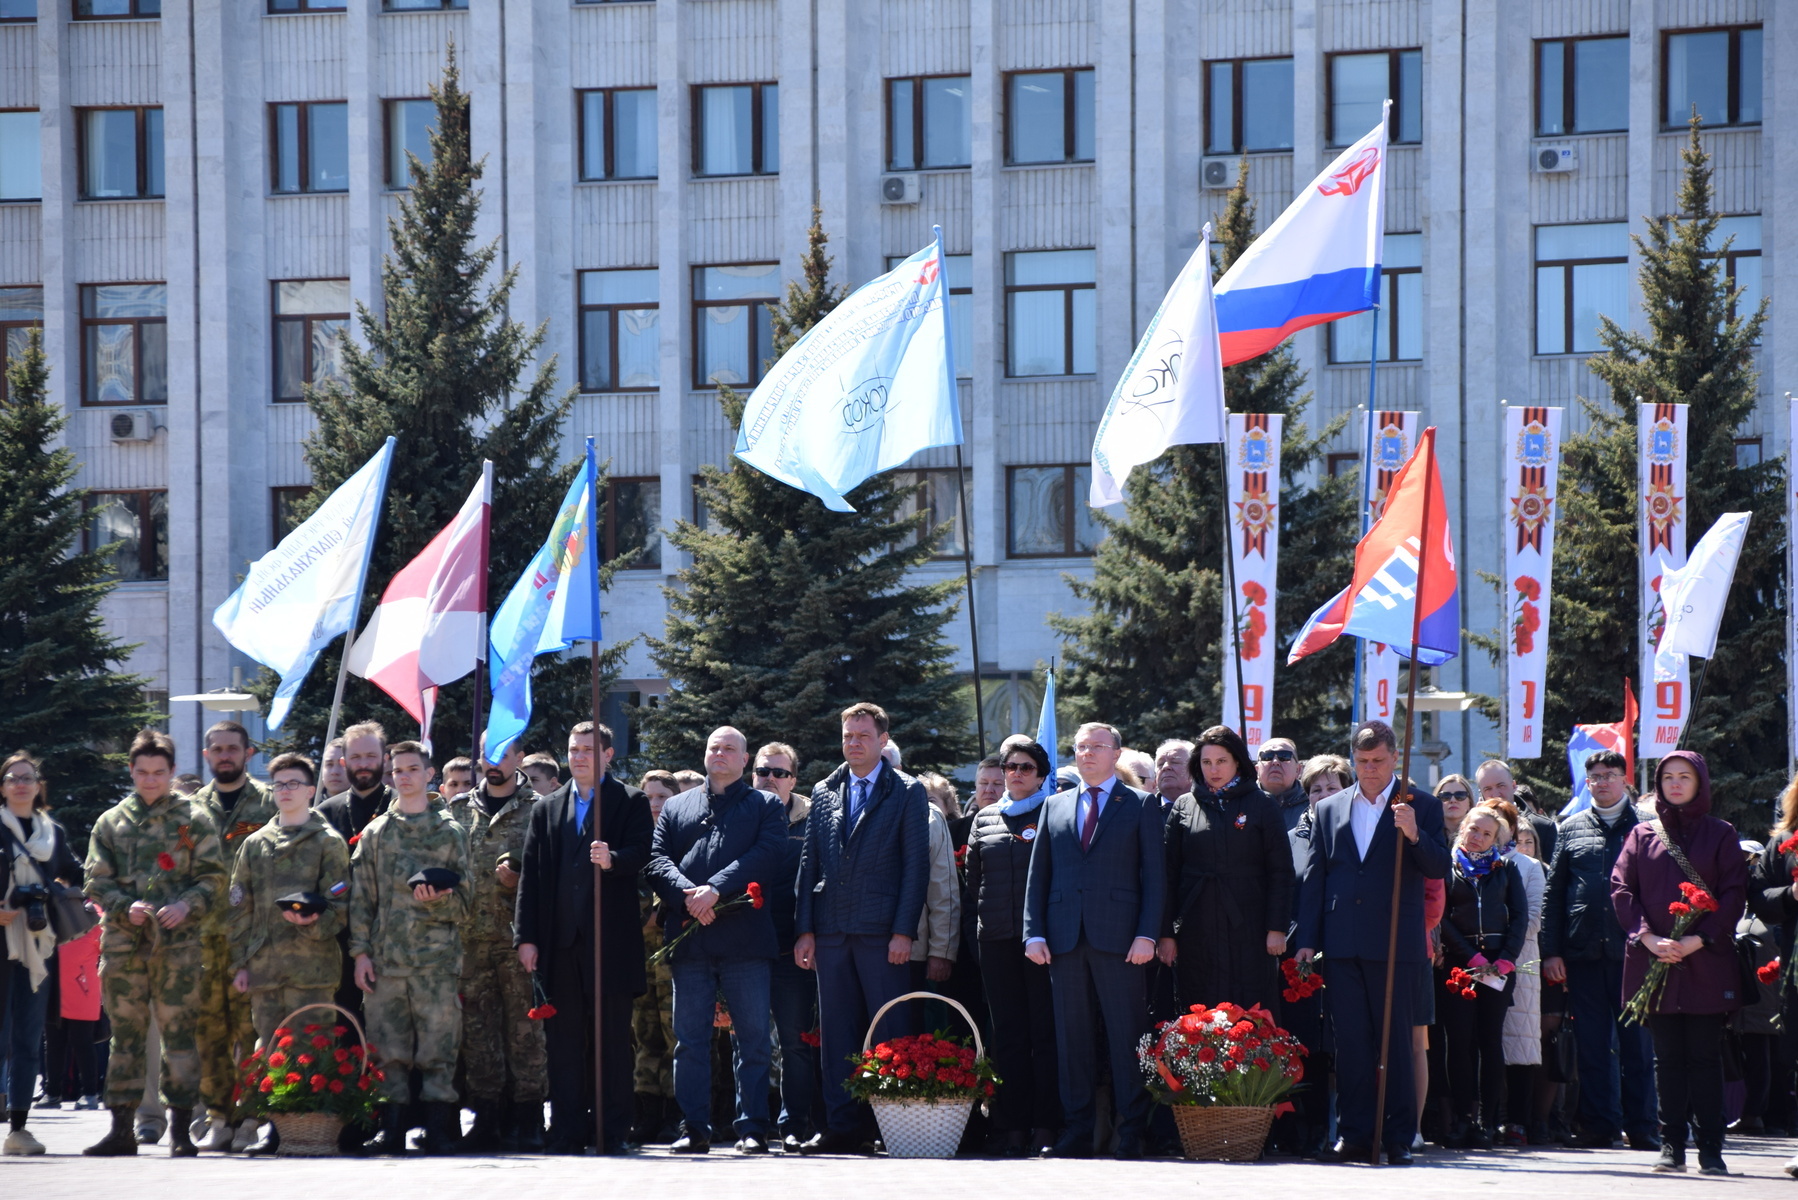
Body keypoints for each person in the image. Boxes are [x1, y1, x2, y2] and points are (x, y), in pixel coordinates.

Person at [1294, 720, 1448, 1166]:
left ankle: (1398, 1135)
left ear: (1395, 757)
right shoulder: (1330, 808)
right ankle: (1355, 1134)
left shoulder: (1421, 805)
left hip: (1396, 943)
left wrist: (1415, 834)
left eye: (1378, 761)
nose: (1370, 770)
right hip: (1342, 943)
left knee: (1395, 1043)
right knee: (1352, 1044)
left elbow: (1438, 868)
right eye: (1361, 762)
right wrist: (1307, 939)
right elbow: (1316, 877)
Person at [82, 730, 227, 1157]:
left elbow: (214, 877)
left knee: (179, 1036)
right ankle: (121, 1128)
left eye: (159, 773)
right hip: (125, 945)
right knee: (125, 1037)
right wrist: (125, 906)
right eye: (142, 772)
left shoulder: (193, 818)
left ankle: (181, 1129)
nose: (150, 781)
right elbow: (95, 880)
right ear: (131, 771)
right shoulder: (110, 821)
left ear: (171, 772)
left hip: (178, 946)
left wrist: (186, 905)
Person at [793, 702, 930, 1155]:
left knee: (891, 1030)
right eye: (848, 735)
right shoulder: (825, 789)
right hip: (831, 931)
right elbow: (809, 862)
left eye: (863, 736)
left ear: (883, 740)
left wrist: (903, 930)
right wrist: (805, 930)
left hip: (881, 932)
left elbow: (915, 867)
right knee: (836, 1034)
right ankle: (841, 1126)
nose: (853, 743)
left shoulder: (906, 791)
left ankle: (891, 1124)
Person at [1023, 721, 1165, 1160]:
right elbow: (1039, 876)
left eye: (1097, 747)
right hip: (1064, 939)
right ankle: (1077, 1129)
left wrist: (1147, 934)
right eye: (1081, 747)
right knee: (1073, 1040)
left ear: (1115, 753)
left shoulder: (1140, 804)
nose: (1087, 754)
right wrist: (1033, 931)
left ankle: (1131, 1130)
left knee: (1127, 1037)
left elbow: (1154, 878)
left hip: (1121, 939)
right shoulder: (1055, 805)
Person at [515, 722, 653, 1156]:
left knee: (611, 1041)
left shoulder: (629, 801)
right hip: (560, 944)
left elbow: (642, 854)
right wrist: (527, 937)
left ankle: (612, 1130)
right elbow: (532, 879)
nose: (579, 757)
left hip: (608, 945)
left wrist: (612, 859)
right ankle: (568, 1129)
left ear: (608, 755)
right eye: (574, 749)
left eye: (589, 750)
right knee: (564, 1043)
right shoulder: (548, 807)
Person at [646, 727, 785, 1155]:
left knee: (753, 1038)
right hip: (690, 938)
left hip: (744, 938)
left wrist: (715, 890)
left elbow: (767, 854)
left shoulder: (765, 805)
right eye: (714, 747)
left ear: (744, 760)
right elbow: (656, 861)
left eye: (730, 749)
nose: (720, 753)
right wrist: (691, 896)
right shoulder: (677, 805)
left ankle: (752, 1128)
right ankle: (695, 1127)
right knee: (689, 1040)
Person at [1610, 750, 1746, 1177]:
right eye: (1667, 776)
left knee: (1705, 1058)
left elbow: (1734, 893)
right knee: (1665, 1059)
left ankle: (1711, 1149)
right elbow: (1621, 889)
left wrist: (1698, 939)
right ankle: (1671, 1146)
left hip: (1705, 962)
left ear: (1700, 783)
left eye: (1684, 776)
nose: (1674, 783)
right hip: (1656, 963)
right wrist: (1649, 937)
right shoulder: (1642, 835)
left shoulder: (1721, 834)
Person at [224, 752, 352, 1157]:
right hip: (264, 968)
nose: (285, 791)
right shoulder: (255, 843)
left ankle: (311, 1130)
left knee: (311, 1050)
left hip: (311, 968)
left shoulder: (326, 842)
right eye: (279, 784)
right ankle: (275, 1128)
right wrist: (239, 963)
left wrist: (313, 922)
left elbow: (342, 902)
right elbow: (238, 907)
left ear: (311, 790)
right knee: (270, 1048)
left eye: (294, 783)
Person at [349, 741, 472, 1155]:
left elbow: (467, 904)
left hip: (436, 963)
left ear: (429, 773)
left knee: (439, 1053)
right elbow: (361, 899)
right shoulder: (377, 832)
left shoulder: (450, 832)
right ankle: (392, 1130)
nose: (404, 777)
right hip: (386, 963)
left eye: (412, 769)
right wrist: (360, 954)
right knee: (388, 1054)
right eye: (397, 770)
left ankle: (439, 1132)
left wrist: (439, 899)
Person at [1540, 749, 1657, 1150]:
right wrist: (1551, 951)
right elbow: (1554, 896)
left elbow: (1658, 893)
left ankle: (1643, 1127)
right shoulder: (1570, 827)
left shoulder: (1648, 826)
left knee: (1637, 1047)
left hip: (1635, 954)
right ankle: (1598, 1127)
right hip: (1583, 953)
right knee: (1591, 1045)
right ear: (1586, 783)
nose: (1602, 782)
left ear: (1626, 779)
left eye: (1610, 775)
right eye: (1595, 777)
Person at [447, 745, 547, 1154]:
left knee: (526, 1032)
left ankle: (528, 1119)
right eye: (488, 753)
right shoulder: (457, 809)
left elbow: (551, 872)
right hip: (470, 941)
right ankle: (485, 1118)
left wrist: (519, 881)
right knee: (478, 1033)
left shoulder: (539, 808)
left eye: (504, 753)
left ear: (520, 758)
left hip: (517, 939)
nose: (494, 762)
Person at [966, 736, 1061, 1155]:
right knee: (1008, 1037)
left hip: (1042, 944)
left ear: (1041, 774)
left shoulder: (1055, 814)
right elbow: (973, 882)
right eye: (1010, 767)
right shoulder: (984, 817)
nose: (1017, 774)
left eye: (1026, 767)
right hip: (997, 942)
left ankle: (1045, 1126)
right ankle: (1011, 1127)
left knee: (1044, 1036)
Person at [1158, 725, 1291, 1013]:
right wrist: (1166, 933)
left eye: (1221, 762)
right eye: (1206, 762)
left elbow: (1280, 872)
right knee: (1198, 1009)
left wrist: (1276, 928)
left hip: (1250, 927)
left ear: (1238, 762)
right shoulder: (1184, 805)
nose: (1213, 770)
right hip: (1196, 927)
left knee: (1250, 1008)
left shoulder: (1262, 804)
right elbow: (1168, 874)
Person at [188, 720, 277, 1153]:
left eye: (232, 748)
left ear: (248, 754)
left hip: (251, 941)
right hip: (204, 941)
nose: (225, 755)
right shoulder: (189, 809)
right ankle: (218, 1117)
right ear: (206, 756)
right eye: (217, 749)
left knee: (253, 1031)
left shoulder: (268, 804)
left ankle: (250, 1118)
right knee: (210, 1034)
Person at [1, 751, 84, 1156]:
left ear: (38, 785)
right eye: (12, 777)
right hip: (0, 941)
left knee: (29, 1038)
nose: (20, 783)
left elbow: (78, 872)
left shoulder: (54, 833)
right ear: (2, 787)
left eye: (28, 777)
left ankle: (19, 1130)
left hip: (37, 942)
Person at [1437, 805, 1528, 1149]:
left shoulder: (1506, 869)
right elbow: (1441, 918)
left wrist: (1506, 959)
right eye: (1473, 829)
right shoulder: (1447, 868)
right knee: (1459, 1044)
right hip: (1460, 964)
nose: (1477, 837)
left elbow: (1520, 916)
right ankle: (1462, 1118)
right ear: (1462, 828)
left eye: (1486, 833)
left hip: (1497, 966)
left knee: (1491, 1043)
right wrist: (1469, 955)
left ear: (1496, 840)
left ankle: (1488, 1121)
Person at [753, 742, 820, 1150]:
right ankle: (750, 1125)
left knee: (796, 1043)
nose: (770, 779)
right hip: (746, 949)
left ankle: (794, 1122)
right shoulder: (740, 813)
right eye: (763, 771)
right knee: (749, 1041)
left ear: (794, 779)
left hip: (792, 949)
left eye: (779, 773)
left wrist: (807, 932)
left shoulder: (813, 819)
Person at [630, 767, 678, 1145]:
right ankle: (647, 1112)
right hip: (641, 955)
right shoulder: (635, 840)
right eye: (649, 797)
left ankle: (675, 1115)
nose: (655, 805)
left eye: (663, 796)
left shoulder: (679, 837)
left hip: (674, 954)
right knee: (645, 1035)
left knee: (676, 1034)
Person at [315, 722, 395, 842]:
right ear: (344, 763)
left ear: (384, 760)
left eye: (371, 756)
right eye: (355, 757)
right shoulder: (324, 814)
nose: (363, 764)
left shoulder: (403, 807)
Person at [1474, 760, 1556, 871]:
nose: (1496, 794)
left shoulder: (1543, 827)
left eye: (1501, 786)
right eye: (1488, 789)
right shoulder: (1473, 829)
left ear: (1513, 786)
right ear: (1481, 794)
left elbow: (1551, 876)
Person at [1256, 738, 1307, 832]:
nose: (1275, 762)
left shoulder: (1313, 805)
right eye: (1267, 756)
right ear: (1257, 769)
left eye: (1284, 756)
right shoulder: (1241, 803)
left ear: (1298, 770)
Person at [1151, 740, 1194, 808]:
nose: (1165, 767)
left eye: (1175, 762)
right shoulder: (1143, 810)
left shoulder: (1209, 809)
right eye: (1160, 764)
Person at [1435, 774, 1475, 843]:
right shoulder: (1428, 835)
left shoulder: (1478, 835)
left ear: (1469, 803)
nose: (1453, 800)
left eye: (1460, 795)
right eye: (1445, 796)